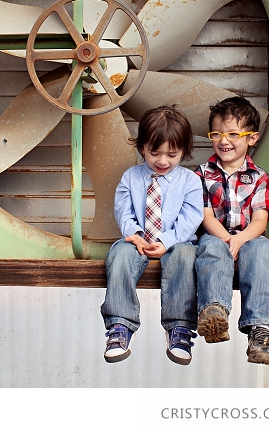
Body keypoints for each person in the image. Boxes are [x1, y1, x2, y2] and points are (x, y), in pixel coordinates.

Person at [101, 106, 203, 365]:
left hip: (176, 242)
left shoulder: (190, 181)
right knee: (119, 255)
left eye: (172, 154)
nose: (163, 161)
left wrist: (166, 242)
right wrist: (133, 234)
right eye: (154, 152)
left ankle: (179, 327)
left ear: (184, 150)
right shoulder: (130, 177)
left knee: (185, 256)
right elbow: (123, 211)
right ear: (142, 147)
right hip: (138, 242)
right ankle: (120, 325)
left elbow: (191, 218)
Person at [195, 96, 269, 365]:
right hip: (217, 238)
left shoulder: (260, 178)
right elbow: (206, 215)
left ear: (252, 138)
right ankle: (215, 310)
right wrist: (226, 239)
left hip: (249, 241)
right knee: (210, 245)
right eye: (217, 134)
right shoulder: (202, 174)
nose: (224, 140)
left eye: (233, 133)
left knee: (264, 248)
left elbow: (260, 221)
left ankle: (260, 330)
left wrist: (240, 239)